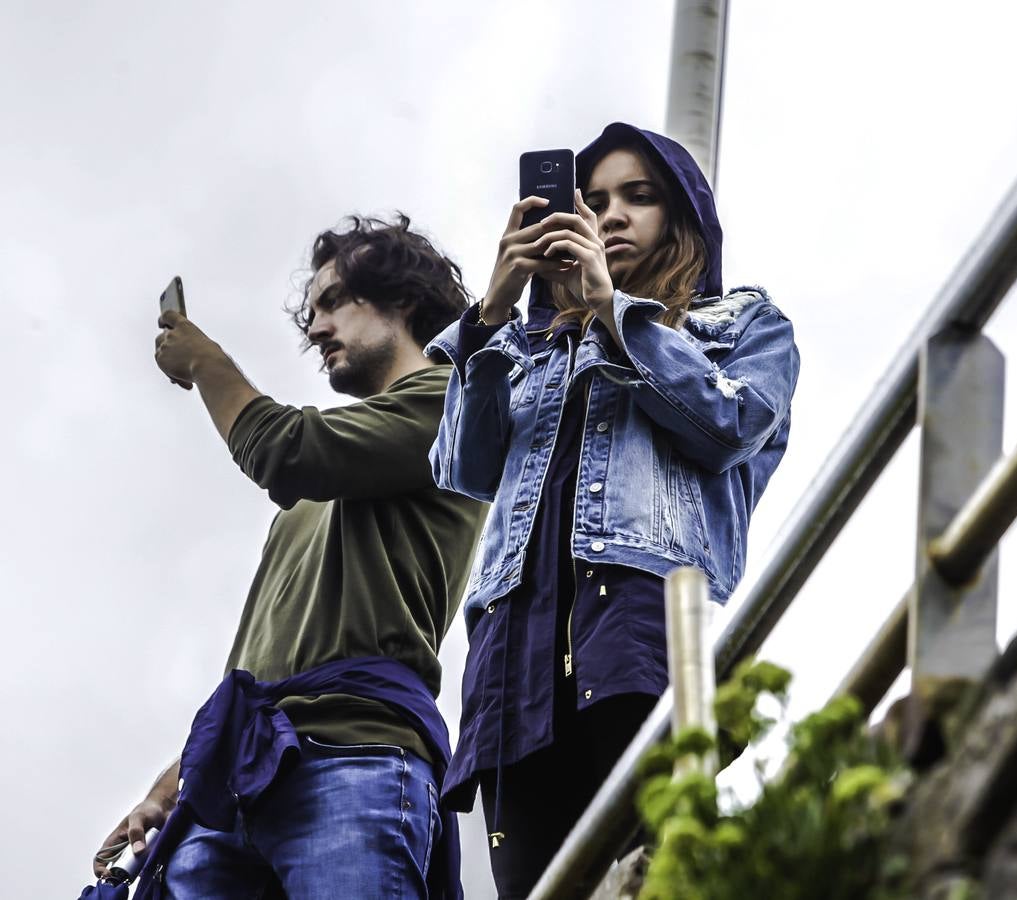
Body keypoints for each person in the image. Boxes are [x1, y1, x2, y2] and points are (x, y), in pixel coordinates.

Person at [426, 123, 802, 898]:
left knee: (655, 877)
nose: (612, 215)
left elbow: (727, 426)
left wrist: (610, 309)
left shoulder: (742, 326)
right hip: (510, 662)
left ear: (682, 216)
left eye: (640, 196)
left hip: (638, 635)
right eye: (593, 200)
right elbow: (462, 466)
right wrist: (492, 314)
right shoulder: (529, 348)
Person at [90, 215, 487, 899]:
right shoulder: (311, 500)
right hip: (238, 782)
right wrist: (177, 778)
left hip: (356, 759)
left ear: (402, 300)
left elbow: (285, 450)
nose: (317, 326)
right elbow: (267, 660)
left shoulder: (452, 404)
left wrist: (206, 361)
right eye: (312, 312)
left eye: (334, 301)